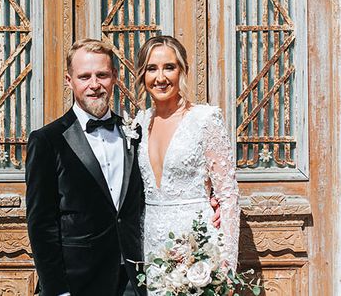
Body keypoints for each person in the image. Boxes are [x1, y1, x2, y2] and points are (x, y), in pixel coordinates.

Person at [25, 39, 146, 296]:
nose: (94, 84)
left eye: (102, 75)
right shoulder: (47, 140)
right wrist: (57, 290)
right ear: (69, 81)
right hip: (78, 282)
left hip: (134, 280)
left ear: (114, 76)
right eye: (84, 76)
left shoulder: (134, 132)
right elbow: (41, 224)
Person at [134, 35, 240, 273]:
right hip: (151, 249)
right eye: (152, 69)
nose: (160, 78)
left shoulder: (204, 120)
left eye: (169, 67)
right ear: (143, 74)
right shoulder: (138, 124)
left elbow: (228, 195)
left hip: (197, 246)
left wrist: (227, 267)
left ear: (183, 71)